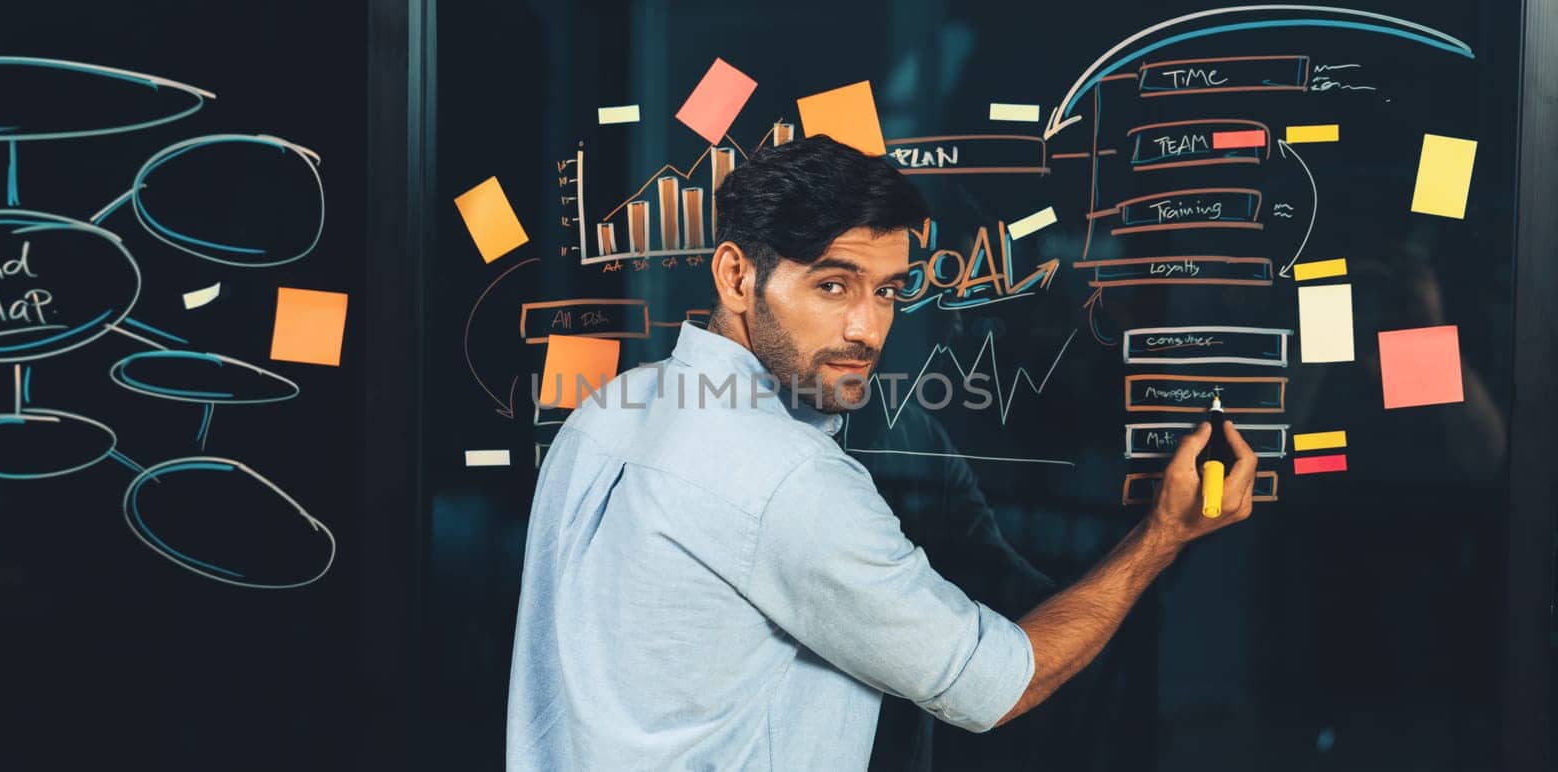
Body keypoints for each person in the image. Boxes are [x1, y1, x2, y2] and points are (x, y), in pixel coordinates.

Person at [505, 135, 1258, 770]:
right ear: (737, 276)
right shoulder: (792, 480)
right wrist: (1163, 535)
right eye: (834, 285)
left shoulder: (608, 409)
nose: (868, 329)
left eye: (890, 291)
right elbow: (995, 685)